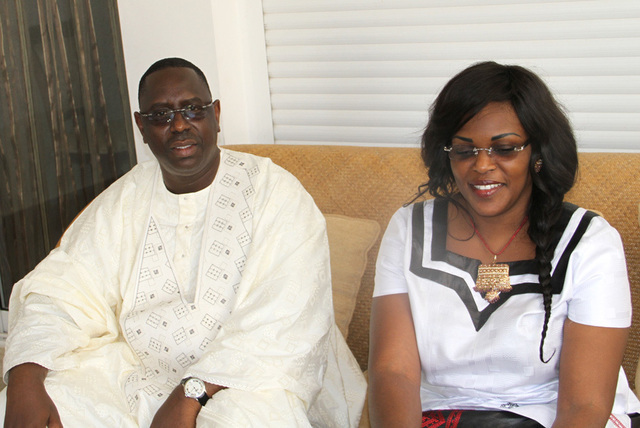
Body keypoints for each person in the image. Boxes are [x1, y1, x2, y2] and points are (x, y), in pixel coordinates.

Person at [1, 57, 366, 427]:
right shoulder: (125, 198)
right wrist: (24, 378)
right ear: (141, 127)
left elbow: (283, 319)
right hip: (138, 374)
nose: (178, 125)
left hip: (250, 381)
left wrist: (191, 394)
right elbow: (61, 290)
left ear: (216, 115)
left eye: (193, 109)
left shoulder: (274, 191)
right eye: (161, 115)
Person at [368, 61, 640, 428]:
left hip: (550, 414)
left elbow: (584, 405)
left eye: (505, 148)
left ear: (537, 154)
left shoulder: (589, 241)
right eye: (464, 150)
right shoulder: (409, 229)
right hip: (442, 414)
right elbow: (392, 371)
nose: (482, 165)